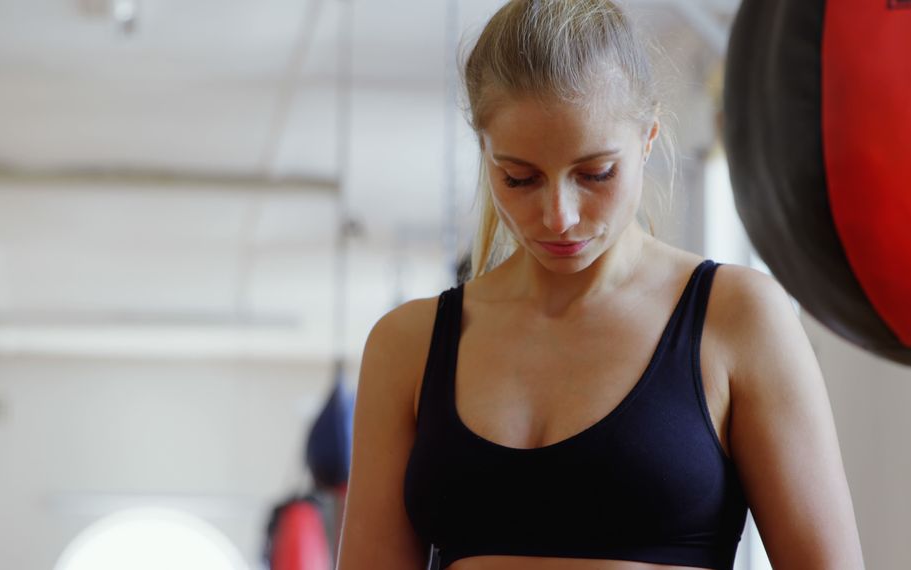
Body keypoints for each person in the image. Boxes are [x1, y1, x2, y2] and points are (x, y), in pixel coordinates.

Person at [336, 1, 865, 569]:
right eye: (519, 178)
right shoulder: (407, 344)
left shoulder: (737, 317)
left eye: (595, 174)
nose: (559, 216)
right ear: (485, 154)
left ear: (648, 139)